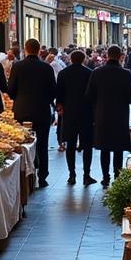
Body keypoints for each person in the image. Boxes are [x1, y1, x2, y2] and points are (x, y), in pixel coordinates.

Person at [86, 44, 131, 187]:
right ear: (121, 56)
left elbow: (89, 95)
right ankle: (117, 175)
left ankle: (105, 177)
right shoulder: (125, 73)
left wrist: (95, 110)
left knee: (104, 148)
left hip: (102, 116)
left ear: (107, 55)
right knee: (118, 148)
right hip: (119, 116)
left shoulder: (97, 72)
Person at [8, 38, 57, 187]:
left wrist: (19, 98)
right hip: (42, 111)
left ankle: (26, 178)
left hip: (22, 111)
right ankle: (42, 177)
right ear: (39, 51)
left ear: (25, 49)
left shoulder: (17, 67)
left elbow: (10, 90)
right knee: (42, 144)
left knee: (24, 144)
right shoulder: (47, 68)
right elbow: (53, 91)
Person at [56, 50, 95, 185]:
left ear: (71, 59)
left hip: (70, 113)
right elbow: (93, 94)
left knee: (71, 145)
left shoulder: (63, 73)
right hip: (86, 113)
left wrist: (60, 107)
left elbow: (59, 94)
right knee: (87, 146)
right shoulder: (90, 73)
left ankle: (71, 174)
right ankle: (87, 175)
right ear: (84, 59)